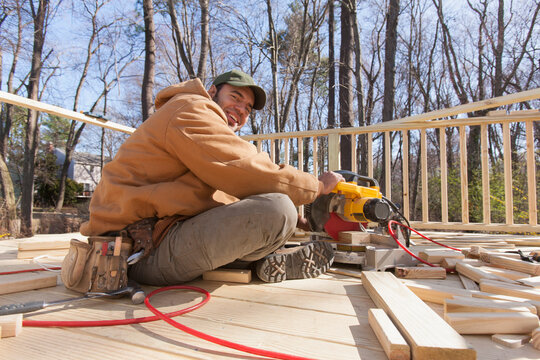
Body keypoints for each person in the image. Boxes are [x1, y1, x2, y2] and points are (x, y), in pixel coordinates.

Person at [80, 69, 344, 284]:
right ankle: (260, 260)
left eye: (248, 108)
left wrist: (299, 223)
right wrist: (318, 186)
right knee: (278, 210)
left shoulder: (195, 123)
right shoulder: (190, 109)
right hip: (133, 253)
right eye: (236, 97)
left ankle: (265, 260)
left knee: (281, 217)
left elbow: (226, 193)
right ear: (212, 91)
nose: (241, 109)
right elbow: (244, 170)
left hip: (157, 237)